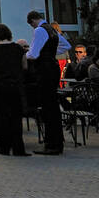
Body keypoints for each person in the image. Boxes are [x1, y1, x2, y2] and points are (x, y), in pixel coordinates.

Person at [0, 25, 29, 156]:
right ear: (9, 34)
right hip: (16, 87)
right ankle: (18, 149)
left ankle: (4, 148)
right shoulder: (18, 49)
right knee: (16, 118)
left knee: (2, 118)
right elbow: (25, 66)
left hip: (0, 87)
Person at [26, 10, 63, 154]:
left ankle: (51, 144)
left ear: (33, 21)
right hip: (53, 68)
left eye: (32, 25)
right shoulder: (52, 30)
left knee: (47, 108)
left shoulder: (40, 30)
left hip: (45, 70)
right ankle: (57, 143)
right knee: (53, 107)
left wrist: (24, 54)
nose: (33, 28)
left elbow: (34, 54)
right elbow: (65, 45)